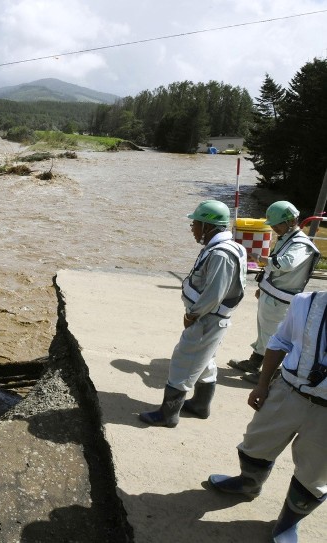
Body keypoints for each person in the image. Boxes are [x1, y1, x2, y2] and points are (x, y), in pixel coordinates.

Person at [208, 291, 327, 542]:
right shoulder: (306, 302)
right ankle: (248, 484)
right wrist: (262, 384)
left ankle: (287, 523)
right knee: (255, 443)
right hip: (288, 392)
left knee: (316, 472)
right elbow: (280, 342)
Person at [139, 200, 247, 427]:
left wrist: (193, 315)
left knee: (183, 361)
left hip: (207, 319)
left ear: (208, 226)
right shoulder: (225, 247)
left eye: (195, 223)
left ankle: (168, 415)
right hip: (211, 318)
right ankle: (200, 405)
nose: (192, 228)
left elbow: (214, 293)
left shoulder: (221, 254)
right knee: (205, 361)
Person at [229, 201, 319, 383]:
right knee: (264, 331)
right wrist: (263, 288)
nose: (274, 228)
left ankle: (269, 375)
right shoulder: (287, 239)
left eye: (277, 224)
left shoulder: (300, 245)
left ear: (291, 221)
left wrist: (261, 259)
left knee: (274, 336)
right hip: (272, 294)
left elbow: (285, 264)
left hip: (281, 300)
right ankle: (254, 362)